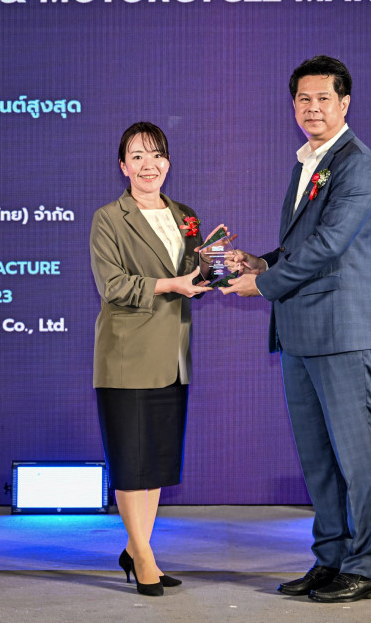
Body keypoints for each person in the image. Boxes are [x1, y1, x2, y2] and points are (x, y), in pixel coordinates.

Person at [220, 56, 371, 603]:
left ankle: (367, 568)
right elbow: (299, 246)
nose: (312, 108)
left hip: (342, 331)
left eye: (323, 98)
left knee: (358, 459)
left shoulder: (358, 164)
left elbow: (330, 245)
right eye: (303, 99)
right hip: (300, 333)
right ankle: (330, 559)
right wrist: (260, 262)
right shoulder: (307, 163)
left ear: (344, 103)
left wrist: (264, 285)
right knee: (318, 460)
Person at [90, 121, 217, 596]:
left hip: (173, 354)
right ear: (123, 167)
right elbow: (113, 286)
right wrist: (172, 285)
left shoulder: (185, 215)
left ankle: (138, 547)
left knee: (156, 463)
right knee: (131, 463)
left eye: (157, 154)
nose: (149, 165)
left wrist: (216, 267)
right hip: (126, 355)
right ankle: (143, 558)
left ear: (168, 162)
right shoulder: (109, 218)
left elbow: (192, 277)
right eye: (137, 156)